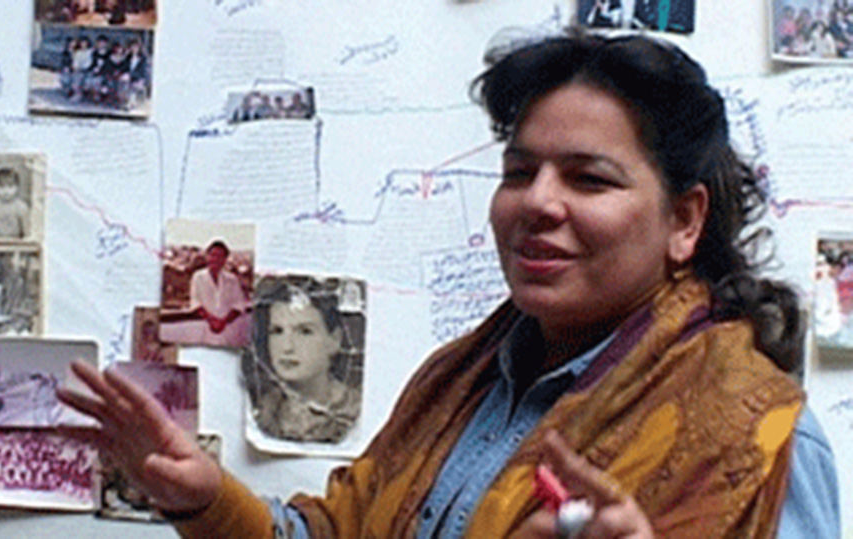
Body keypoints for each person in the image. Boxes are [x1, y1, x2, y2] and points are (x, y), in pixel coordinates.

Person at [57, 30, 840, 538]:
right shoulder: (459, 379)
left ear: (684, 221)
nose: (538, 202)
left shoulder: (762, 433)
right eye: (519, 171)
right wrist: (201, 495)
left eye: (590, 179)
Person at [246, 280, 361, 443]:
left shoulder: (356, 410)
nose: (287, 347)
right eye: (277, 331)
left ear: (334, 340)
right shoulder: (263, 411)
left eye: (305, 332)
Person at [187, 240, 249, 347]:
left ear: (225, 259)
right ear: (207, 256)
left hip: (229, 330)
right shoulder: (198, 277)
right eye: (213, 255)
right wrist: (212, 320)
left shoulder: (232, 279)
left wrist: (223, 322)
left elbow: (239, 304)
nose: (215, 259)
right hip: (206, 329)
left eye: (220, 256)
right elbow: (195, 302)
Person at [0, 167, 30, 239]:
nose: (6, 191)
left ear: (17, 187)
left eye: (10, 186)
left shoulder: (21, 206)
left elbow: (27, 231)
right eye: (1, 186)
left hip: (16, 243)